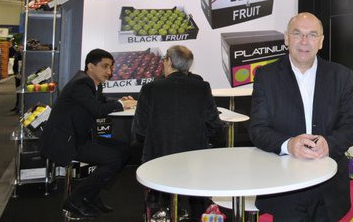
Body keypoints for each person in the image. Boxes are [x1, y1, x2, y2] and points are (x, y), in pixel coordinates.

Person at [249, 12, 353, 221]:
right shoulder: (266, 76)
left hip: (328, 184)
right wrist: (288, 144)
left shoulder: (341, 76)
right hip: (285, 187)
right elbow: (257, 129)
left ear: (321, 42)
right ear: (286, 38)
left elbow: (351, 125)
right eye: (297, 33)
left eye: (312, 35)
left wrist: (329, 143)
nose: (304, 41)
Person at [40, 49, 137, 218]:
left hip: (79, 138)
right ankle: (74, 200)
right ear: (90, 66)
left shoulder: (92, 83)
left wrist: (120, 101)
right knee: (113, 158)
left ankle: (91, 196)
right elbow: (98, 109)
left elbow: (100, 101)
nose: (109, 71)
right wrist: (122, 105)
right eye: (105, 66)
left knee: (124, 149)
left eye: (111, 67)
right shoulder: (81, 84)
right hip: (66, 142)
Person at [133, 45, 223, 221]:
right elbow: (214, 125)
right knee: (198, 194)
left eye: (164, 59)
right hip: (194, 157)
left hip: (157, 157)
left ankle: (158, 210)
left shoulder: (150, 88)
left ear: (169, 61)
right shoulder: (202, 87)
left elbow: (140, 130)